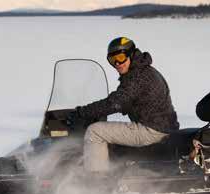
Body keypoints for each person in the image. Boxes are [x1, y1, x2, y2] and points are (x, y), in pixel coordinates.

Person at [71, 36, 179, 175]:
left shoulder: (137, 76)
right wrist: (97, 111)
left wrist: (82, 112)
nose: (117, 63)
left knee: (95, 132)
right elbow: (126, 102)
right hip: (162, 127)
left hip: (152, 130)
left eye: (121, 57)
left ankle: (96, 182)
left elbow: (115, 102)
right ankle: (116, 174)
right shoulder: (144, 71)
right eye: (112, 60)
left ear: (131, 54)